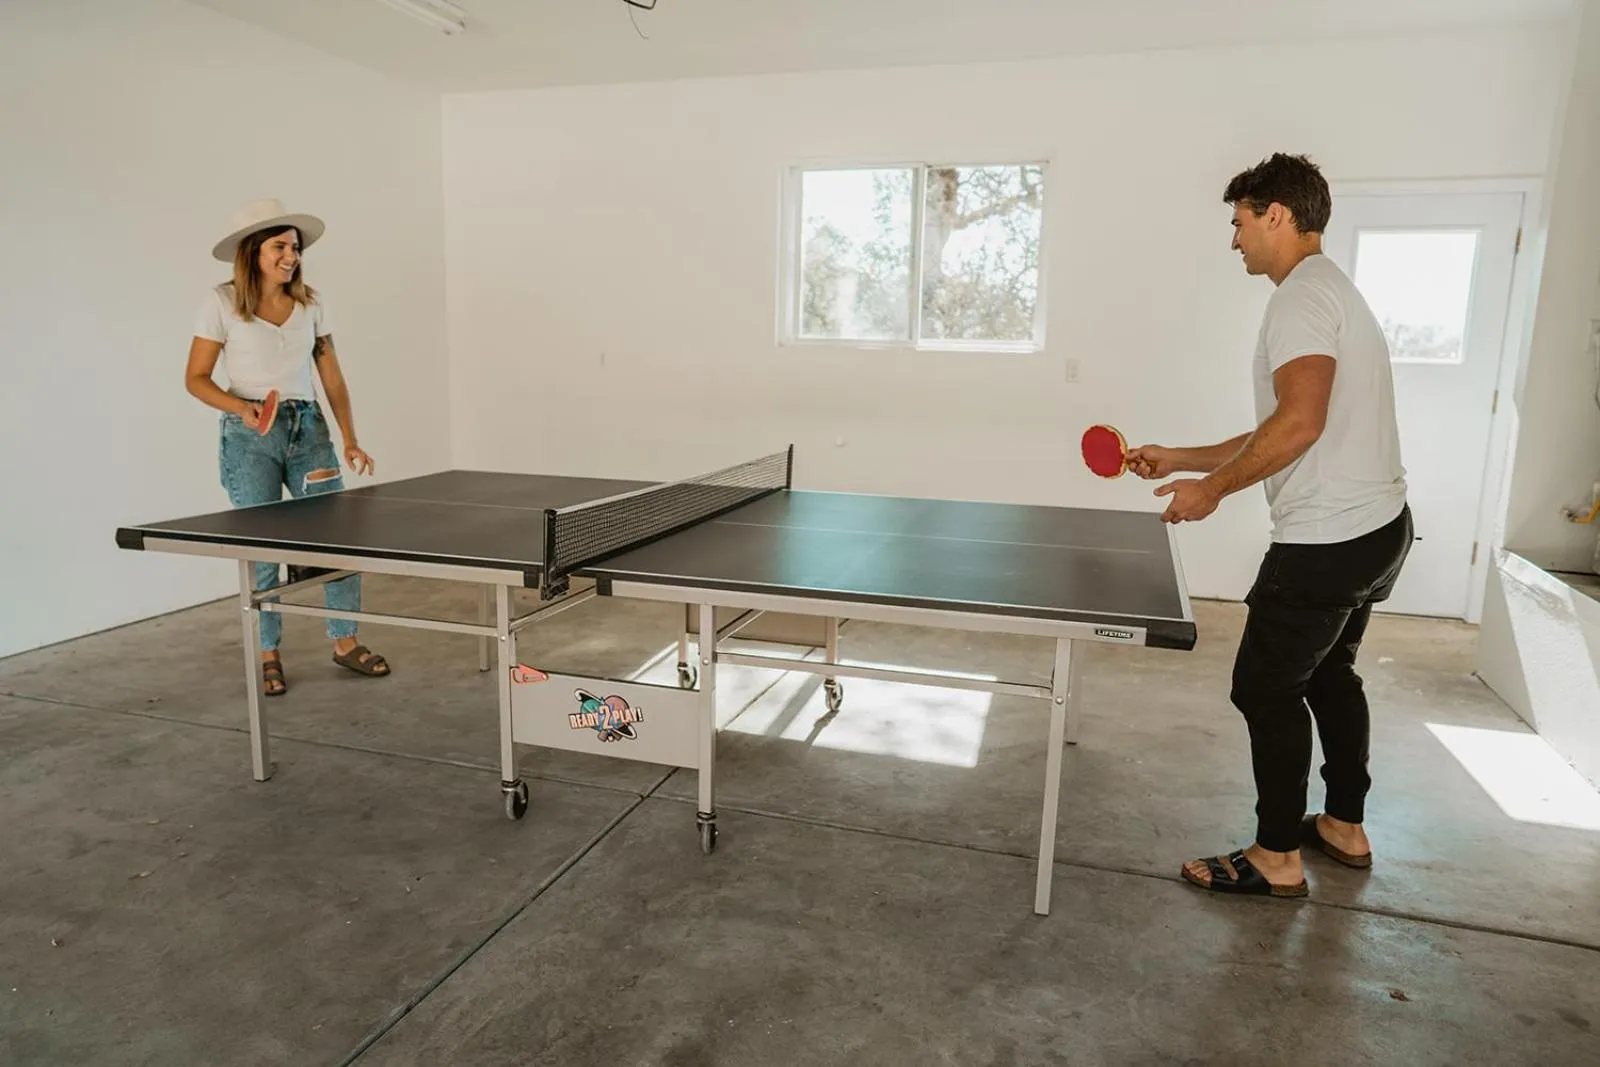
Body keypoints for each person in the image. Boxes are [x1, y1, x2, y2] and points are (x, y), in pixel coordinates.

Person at [1126, 153, 1413, 899]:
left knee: (1263, 687)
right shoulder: (1334, 291)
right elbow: (1278, 427)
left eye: (1240, 221)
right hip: (1381, 528)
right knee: (1327, 672)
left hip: (1328, 540)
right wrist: (1180, 458)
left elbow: (1300, 423)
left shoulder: (1298, 299)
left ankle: (1276, 853)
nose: (1234, 240)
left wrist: (1212, 491)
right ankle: (1344, 823)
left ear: (1276, 214)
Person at [184, 199, 390, 696]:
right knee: (262, 547)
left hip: (307, 428)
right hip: (248, 433)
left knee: (335, 537)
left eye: (294, 248)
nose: (291, 256)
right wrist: (240, 409)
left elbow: (332, 376)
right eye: (280, 247)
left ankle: (345, 642)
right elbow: (195, 379)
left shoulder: (311, 304)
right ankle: (268, 652)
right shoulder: (221, 301)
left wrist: (350, 438)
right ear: (252, 251)